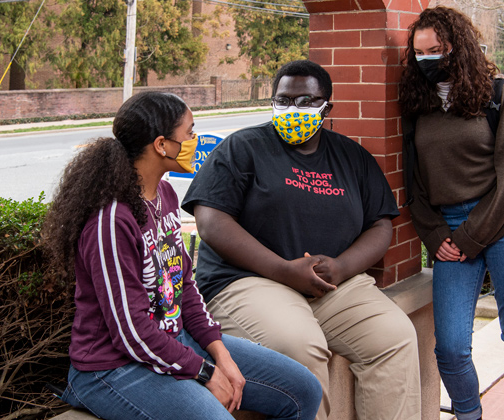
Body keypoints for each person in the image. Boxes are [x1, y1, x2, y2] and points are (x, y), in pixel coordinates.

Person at [42, 91, 322, 420]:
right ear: (161, 145)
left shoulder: (164, 194)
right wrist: (205, 372)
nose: (195, 139)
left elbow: (184, 285)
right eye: (189, 132)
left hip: (175, 340)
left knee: (303, 390)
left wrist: (221, 354)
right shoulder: (111, 221)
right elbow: (131, 331)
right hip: (112, 369)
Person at [181, 60, 421, 420]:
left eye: (306, 101)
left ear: (327, 107)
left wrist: (342, 267)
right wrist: (283, 269)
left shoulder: (351, 157)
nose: (293, 110)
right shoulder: (243, 148)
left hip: (333, 286)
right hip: (250, 282)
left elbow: (380, 225)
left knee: (395, 336)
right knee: (300, 347)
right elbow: (211, 220)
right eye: (284, 100)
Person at [398, 6, 504, 420]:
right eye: (420, 52)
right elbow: (414, 184)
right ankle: (468, 415)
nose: (428, 59)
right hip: (449, 231)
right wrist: (435, 234)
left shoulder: (496, 96)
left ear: (457, 48)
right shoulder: (416, 106)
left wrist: (470, 238)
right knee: (451, 346)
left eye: (437, 50)